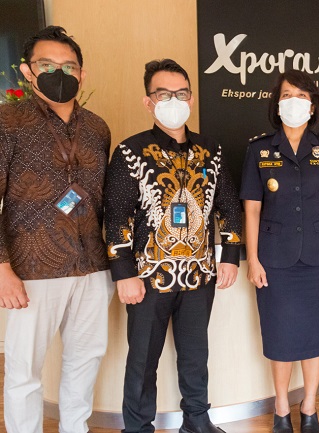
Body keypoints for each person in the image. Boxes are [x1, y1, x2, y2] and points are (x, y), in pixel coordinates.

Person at [104, 59, 242, 433]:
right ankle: (137, 427)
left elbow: (228, 205)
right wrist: (124, 273)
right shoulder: (130, 151)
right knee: (142, 360)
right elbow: (116, 216)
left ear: (191, 99)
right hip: (148, 277)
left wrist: (230, 255)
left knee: (196, 356)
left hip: (199, 275)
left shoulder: (210, 151)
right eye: (164, 94)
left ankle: (197, 422)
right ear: (149, 102)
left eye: (181, 93)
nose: (174, 101)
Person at [0, 26, 115, 433]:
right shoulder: (8, 122)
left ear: (82, 74)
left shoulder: (97, 128)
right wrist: (2, 268)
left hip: (92, 265)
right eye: (47, 65)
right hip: (31, 268)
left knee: (85, 361)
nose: (59, 73)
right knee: (24, 371)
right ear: (28, 71)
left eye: (68, 66)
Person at [240, 69, 319, 433]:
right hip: (275, 259)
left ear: (313, 105)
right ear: (277, 103)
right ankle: (282, 407)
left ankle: (310, 405)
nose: (294, 102)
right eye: (287, 95)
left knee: (315, 334)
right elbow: (251, 209)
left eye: (302, 96)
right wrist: (253, 259)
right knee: (280, 335)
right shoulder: (258, 149)